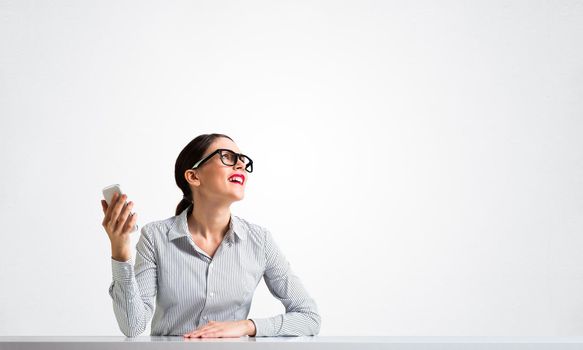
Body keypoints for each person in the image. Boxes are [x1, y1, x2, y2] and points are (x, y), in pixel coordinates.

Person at [100, 133, 321, 338]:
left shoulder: (259, 241)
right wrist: (120, 251)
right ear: (194, 176)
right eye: (227, 157)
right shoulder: (156, 237)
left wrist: (247, 326)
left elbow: (309, 318)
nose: (241, 165)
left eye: (243, 160)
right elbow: (133, 326)